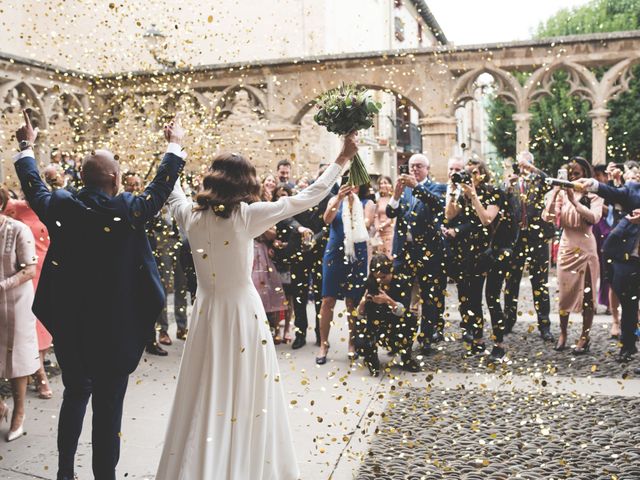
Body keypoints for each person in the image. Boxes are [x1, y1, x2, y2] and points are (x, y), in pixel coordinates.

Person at [156, 133, 357, 480]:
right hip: (242, 315)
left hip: (206, 312)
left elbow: (170, 190)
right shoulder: (246, 216)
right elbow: (306, 198)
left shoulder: (191, 216)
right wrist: (342, 159)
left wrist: (174, 148)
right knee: (247, 391)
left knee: (203, 386)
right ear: (245, 183)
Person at [13, 110, 185, 480]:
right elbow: (160, 188)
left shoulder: (61, 205)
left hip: (73, 324)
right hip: (115, 329)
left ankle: (64, 472)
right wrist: (174, 144)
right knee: (109, 410)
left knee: (75, 395)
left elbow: (33, 187)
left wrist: (26, 146)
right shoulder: (128, 208)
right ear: (114, 178)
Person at [575, 168, 640, 364]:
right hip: (630, 257)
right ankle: (628, 346)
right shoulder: (633, 188)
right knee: (628, 303)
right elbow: (616, 194)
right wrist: (593, 184)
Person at [386, 153, 447, 355]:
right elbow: (390, 212)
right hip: (404, 252)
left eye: (419, 166)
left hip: (427, 252)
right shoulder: (403, 191)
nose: (414, 170)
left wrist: (417, 187)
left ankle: (426, 339)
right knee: (399, 295)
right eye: (411, 166)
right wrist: (396, 193)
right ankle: (399, 340)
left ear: (427, 169)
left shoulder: (437, 187)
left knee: (428, 297)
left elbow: (438, 205)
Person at [543, 157, 602, 354]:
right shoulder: (561, 193)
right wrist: (555, 194)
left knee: (587, 296)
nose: (573, 177)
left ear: (585, 174)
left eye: (577, 174)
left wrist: (573, 200)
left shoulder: (594, 194)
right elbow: (549, 217)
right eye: (570, 174)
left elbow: (593, 217)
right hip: (567, 247)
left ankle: (584, 337)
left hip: (586, 248)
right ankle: (563, 333)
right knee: (564, 295)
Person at [443, 158, 500, 356]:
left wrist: (474, 195)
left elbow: (486, 219)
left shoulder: (492, 192)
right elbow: (449, 216)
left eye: (474, 172)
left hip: (489, 253)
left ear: (483, 174)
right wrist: (452, 191)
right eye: (468, 173)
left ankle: (498, 343)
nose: (470, 176)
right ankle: (477, 340)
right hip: (466, 253)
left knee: (491, 299)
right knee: (472, 299)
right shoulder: (463, 194)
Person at [3, 188, 54, 399]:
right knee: (29, 327)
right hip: (25, 272)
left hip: (47, 269)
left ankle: (36, 369)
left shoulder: (51, 206)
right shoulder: (15, 208)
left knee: (43, 326)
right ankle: (40, 374)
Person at [317, 181, 375, 364]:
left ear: (361, 187)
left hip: (356, 254)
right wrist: (340, 199)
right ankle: (324, 344)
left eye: (356, 185)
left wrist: (352, 206)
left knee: (352, 301)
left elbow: (366, 223)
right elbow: (327, 219)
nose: (352, 188)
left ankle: (352, 343)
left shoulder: (367, 203)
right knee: (328, 299)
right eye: (349, 184)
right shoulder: (335, 200)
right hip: (334, 252)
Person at [503, 151, 555, 342]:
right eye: (520, 165)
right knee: (511, 281)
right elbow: (502, 200)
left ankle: (544, 325)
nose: (522, 169)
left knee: (540, 283)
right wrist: (507, 185)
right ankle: (508, 320)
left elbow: (549, 180)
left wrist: (531, 168)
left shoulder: (539, 182)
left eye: (526, 165)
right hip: (516, 240)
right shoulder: (512, 183)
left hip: (537, 238)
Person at [0, 188, 39, 442]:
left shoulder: (17, 230)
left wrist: (2, 285)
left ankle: (19, 412)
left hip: (16, 302)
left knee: (17, 359)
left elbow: (30, 270)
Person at [290, 164, 336, 349]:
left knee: (320, 294)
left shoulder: (331, 199)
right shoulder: (303, 194)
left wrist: (315, 239)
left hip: (320, 252)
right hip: (299, 251)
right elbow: (288, 216)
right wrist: (299, 228)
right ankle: (300, 334)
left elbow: (330, 225)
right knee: (298, 294)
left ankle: (320, 333)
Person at [354, 254, 421, 376]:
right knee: (360, 333)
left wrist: (388, 301)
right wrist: (363, 303)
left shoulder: (402, 281)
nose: (380, 280)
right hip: (374, 322)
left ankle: (406, 358)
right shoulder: (369, 282)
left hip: (395, 322)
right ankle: (371, 358)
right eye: (377, 278)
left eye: (383, 277)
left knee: (411, 319)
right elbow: (358, 316)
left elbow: (404, 311)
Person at [373, 175, 395, 259]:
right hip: (380, 233)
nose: (382, 185)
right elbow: (376, 216)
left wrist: (383, 226)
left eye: (385, 183)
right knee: (380, 257)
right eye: (381, 183)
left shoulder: (393, 199)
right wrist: (377, 226)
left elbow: (393, 217)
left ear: (390, 185)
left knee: (389, 257)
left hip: (389, 232)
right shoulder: (379, 200)